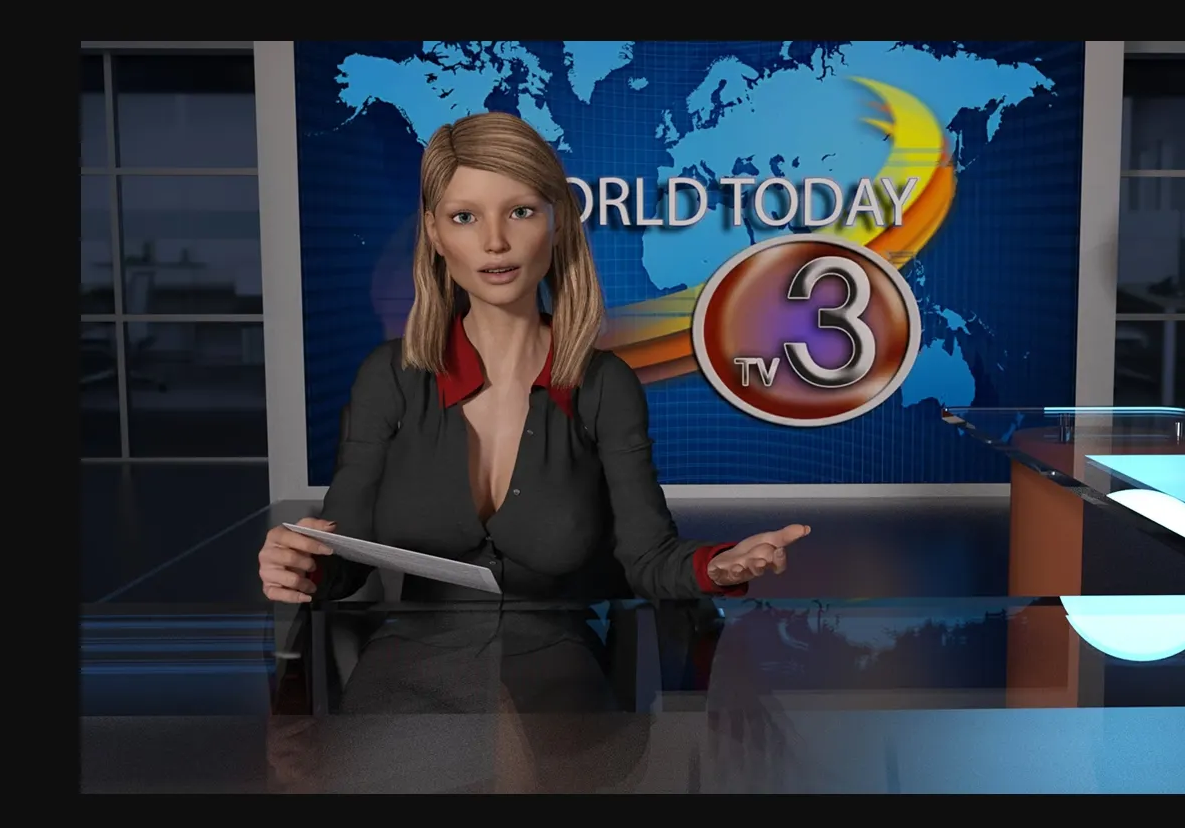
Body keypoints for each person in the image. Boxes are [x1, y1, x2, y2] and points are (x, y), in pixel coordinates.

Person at [257, 110, 811, 608]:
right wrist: (301, 565)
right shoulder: (389, 378)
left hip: (561, 667)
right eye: (465, 217)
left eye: (520, 211)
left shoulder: (604, 384)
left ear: (557, 221)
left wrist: (720, 566)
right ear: (434, 233)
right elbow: (344, 555)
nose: (495, 242)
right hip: (409, 666)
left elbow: (648, 559)